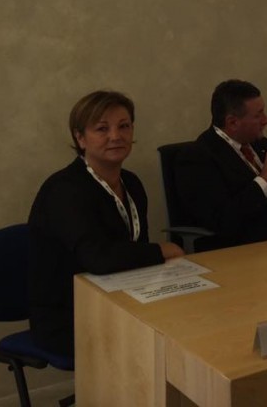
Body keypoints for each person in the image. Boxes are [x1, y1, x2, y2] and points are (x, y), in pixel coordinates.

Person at [28, 91, 184, 358]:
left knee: (188, 317)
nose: (116, 136)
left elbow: (135, 247)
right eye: (102, 129)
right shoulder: (64, 190)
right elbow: (97, 258)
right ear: (80, 138)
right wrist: (162, 250)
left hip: (122, 297)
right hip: (70, 314)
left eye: (124, 126)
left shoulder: (131, 183)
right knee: (159, 343)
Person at [175, 80, 267, 249]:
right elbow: (224, 220)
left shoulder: (261, 144)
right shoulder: (198, 157)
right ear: (233, 122)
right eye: (258, 115)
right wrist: (265, 177)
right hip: (255, 249)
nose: (266, 120)